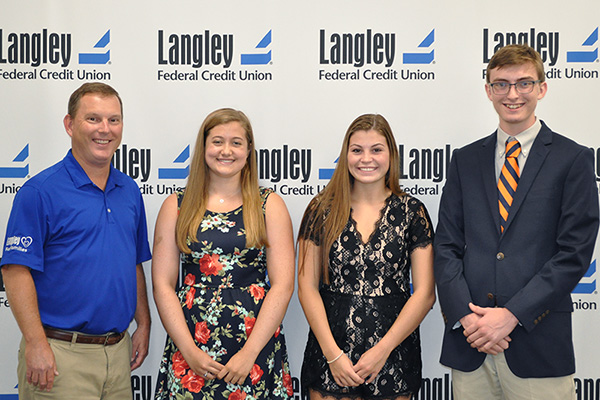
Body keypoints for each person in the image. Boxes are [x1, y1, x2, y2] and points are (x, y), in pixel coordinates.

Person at [434, 44, 599, 400]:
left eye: (524, 83)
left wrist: (511, 315)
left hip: (537, 343)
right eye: (501, 84)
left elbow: (573, 254)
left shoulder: (573, 159)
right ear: (488, 90)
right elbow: (446, 246)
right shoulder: (464, 160)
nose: (512, 94)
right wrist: (468, 319)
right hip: (471, 345)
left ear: (542, 88)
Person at [0, 82, 152, 399]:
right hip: (59, 356)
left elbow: (132, 263)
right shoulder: (40, 191)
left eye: (114, 120)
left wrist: (144, 323)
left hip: (118, 354)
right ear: (70, 125)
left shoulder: (130, 191)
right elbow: (15, 271)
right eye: (93, 119)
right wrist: (36, 343)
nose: (105, 130)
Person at [152, 108, 295, 399]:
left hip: (253, 344)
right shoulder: (176, 206)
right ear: (204, 147)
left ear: (248, 149)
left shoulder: (269, 205)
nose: (226, 151)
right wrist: (189, 351)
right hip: (191, 346)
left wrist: (250, 353)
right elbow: (163, 285)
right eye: (217, 141)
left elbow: (283, 285)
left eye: (236, 142)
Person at [297, 114, 435, 400]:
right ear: (346, 154)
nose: (366, 159)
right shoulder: (321, 208)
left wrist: (383, 350)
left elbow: (424, 294)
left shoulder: (412, 212)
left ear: (390, 154)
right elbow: (306, 287)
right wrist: (333, 355)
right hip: (330, 352)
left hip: (393, 353)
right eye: (357, 150)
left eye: (376, 149)